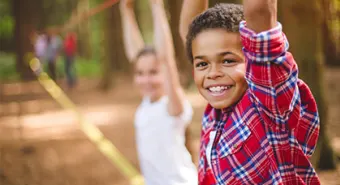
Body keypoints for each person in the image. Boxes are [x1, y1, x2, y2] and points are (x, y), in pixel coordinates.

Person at [180, 0, 320, 184]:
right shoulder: (216, 111)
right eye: (203, 64)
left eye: (228, 61)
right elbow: (191, 32)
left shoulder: (268, 104)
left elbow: (259, 9)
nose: (213, 74)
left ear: (253, 62)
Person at [119, 0, 197, 184]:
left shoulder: (172, 107)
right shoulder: (146, 105)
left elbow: (166, 58)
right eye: (140, 73)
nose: (145, 80)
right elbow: (135, 54)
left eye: (153, 73)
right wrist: (126, 10)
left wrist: (156, 6)